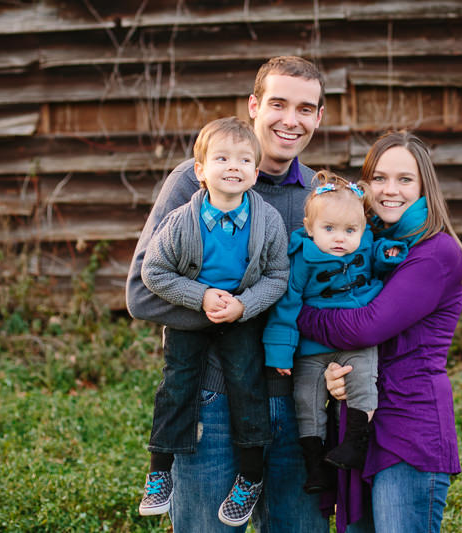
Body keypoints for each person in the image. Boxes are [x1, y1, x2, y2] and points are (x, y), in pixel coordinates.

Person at [126, 56, 329, 533]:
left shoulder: (321, 195)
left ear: (319, 117)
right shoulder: (193, 183)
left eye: (305, 108)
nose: (290, 120)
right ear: (254, 106)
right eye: (278, 104)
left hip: (297, 400)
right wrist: (225, 308)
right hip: (211, 397)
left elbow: (334, 298)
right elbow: (141, 292)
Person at [296, 131, 462, 533]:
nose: (389, 190)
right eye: (378, 178)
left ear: (424, 185)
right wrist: (333, 370)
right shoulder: (363, 246)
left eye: (404, 179)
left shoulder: (435, 252)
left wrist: (294, 314)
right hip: (361, 423)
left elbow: (367, 326)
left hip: (409, 424)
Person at [138, 117, 289, 527]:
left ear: (255, 173)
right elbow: (153, 272)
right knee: (177, 383)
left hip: (240, 317)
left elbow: (278, 276)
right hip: (192, 315)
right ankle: (159, 470)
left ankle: (251, 476)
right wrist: (200, 296)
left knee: (247, 386)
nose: (233, 166)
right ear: (200, 170)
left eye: (243, 159)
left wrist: (244, 306)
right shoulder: (181, 222)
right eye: (221, 158)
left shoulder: (268, 221)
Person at [263, 170, 403, 494]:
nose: (340, 239)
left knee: (364, 378)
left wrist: (386, 255)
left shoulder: (364, 246)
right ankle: (316, 466)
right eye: (329, 229)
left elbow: (379, 264)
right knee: (305, 397)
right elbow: (286, 306)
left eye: (350, 230)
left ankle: (355, 443)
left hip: (356, 337)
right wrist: (280, 353)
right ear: (310, 229)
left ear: (363, 229)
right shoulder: (301, 260)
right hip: (312, 346)